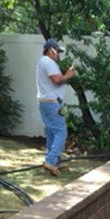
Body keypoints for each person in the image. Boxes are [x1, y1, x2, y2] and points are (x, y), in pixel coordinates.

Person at [36, 39, 76, 176]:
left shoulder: (43, 62)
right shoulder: (48, 62)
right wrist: (68, 75)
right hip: (52, 103)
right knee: (61, 132)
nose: (58, 54)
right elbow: (57, 80)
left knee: (52, 132)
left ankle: (54, 161)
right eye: (57, 51)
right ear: (50, 50)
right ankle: (51, 161)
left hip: (46, 103)